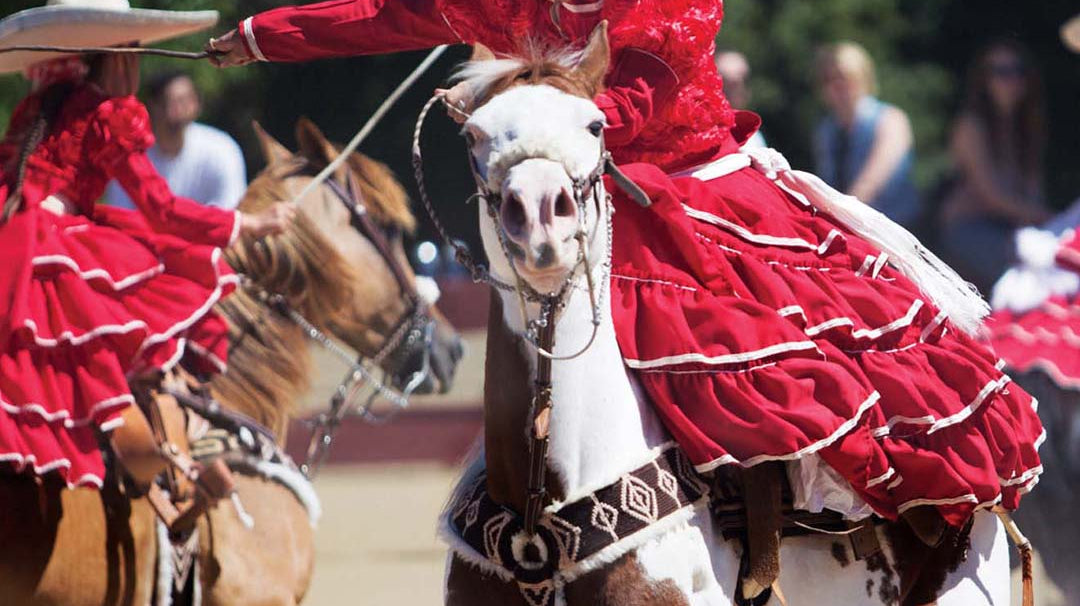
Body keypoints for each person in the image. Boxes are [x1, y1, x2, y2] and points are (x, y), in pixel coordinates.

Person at [209, 0, 1041, 543]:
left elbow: (641, 96)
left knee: (761, 353)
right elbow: (384, 16)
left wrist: (547, 125)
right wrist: (259, 36)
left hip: (695, 186)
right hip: (574, 185)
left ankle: (785, 522)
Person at [0, 0, 294, 492]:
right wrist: (247, 223)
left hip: (13, 225)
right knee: (165, 290)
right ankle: (168, 455)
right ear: (118, 56)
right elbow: (161, 208)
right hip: (51, 235)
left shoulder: (38, 104)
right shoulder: (109, 113)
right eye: (134, 51)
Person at [939, 40, 1051, 293]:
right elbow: (991, 196)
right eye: (1000, 72)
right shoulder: (970, 126)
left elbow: (1033, 190)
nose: (1010, 78)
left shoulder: (1026, 128)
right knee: (1026, 275)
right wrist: (1047, 218)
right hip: (968, 227)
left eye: (1017, 70)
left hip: (1009, 226)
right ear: (984, 80)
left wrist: (1047, 226)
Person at [813, 42, 920, 230]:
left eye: (844, 77)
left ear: (863, 77)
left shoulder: (890, 120)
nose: (836, 85)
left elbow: (871, 183)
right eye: (827, 79)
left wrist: (836, 217)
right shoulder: (826, 130)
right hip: (849, 225)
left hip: (897, 227)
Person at [105, 70, 247, 210]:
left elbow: (230, 209)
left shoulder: (221, 149)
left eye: (188, 99)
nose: (183, 107)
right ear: (154, 105)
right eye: (174, 100)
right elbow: (122, 212)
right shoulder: (130, 155)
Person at [714, 50, 766, 148]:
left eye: (738, 83)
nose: (732, 92)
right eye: (724, 82)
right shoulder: (696, 136)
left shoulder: (754, 139)